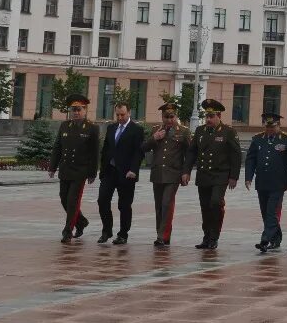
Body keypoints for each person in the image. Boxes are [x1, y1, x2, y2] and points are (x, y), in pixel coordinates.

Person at [183, 98, 241, 250]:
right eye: (206, 116)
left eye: (211, 116)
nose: (208, 119)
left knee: (215, 203)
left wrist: (233, 177)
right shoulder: (200, 131)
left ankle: (214, 237)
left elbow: (236, 155)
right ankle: (206, 236)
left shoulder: (228, 132)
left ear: (219, 116)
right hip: (204, 175)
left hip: (220, 175)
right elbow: (191, 152)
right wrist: (186, 171)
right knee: (205, 207)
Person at [48, 94, 99, 243]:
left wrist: (92, 172)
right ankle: (81, 221)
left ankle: (67, 230)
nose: (76, 112)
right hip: (65, 169)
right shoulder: (65, 126)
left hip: (80, 171)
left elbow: (94, 152)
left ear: (85, 110)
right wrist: (52, 167)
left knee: (72, 201)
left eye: (79, 109)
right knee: (64, 198)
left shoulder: (91, 128)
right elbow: (57, 147)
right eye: (73, 109)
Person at [142, 101, 190, 247]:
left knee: (166, 203)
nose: (169, 120)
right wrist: (154, 138)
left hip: (173, 174)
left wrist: (186, 172)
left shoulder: (183, 131)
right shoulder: (156, 129)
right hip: (158, 173)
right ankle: (162, 234)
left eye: (171, 117)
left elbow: (189, 154)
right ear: (162, 117)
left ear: (176, 116)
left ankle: (162, 235)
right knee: (159, 206)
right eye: (166, 117)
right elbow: (143, 147)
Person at [245, 112, 287, 252]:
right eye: (267, 127)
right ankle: (276, 238)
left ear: (278, 126)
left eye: (272, 127)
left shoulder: (286, 139)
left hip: (278, 183)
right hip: (262, 182)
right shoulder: (258, 139)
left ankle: (265, 240)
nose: (270, 130)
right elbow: (251, 159)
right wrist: (248, 177)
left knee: (271, 212)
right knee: (265, 212)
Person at [97, 101, 145, 244]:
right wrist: (102, 168)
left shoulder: (136, 130)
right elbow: (106, 149)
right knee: (102, 200)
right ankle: (106, 230)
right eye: (117, 114)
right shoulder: (111, 128)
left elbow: (139, 152)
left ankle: (123, 234)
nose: (119, 117)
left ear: (129, 113)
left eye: (122, 114)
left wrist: (134, 170)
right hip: (109, 171)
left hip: (126, 173)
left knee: (124, 205)